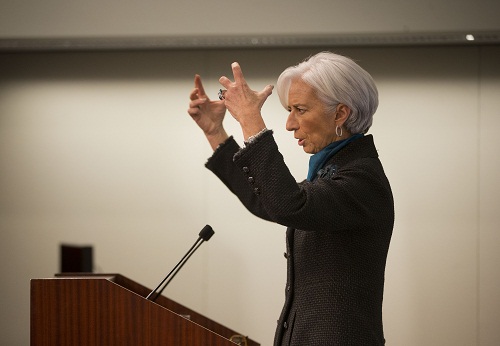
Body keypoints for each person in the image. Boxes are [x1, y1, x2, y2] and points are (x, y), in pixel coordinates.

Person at [187, 51, 394, 346]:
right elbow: (268, 200)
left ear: (340, 113)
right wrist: (215, 132)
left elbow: (289, 204)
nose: (289, 124)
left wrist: (250, 119)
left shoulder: (361, 179)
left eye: (300, 109)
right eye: (289, 110)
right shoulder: (332, 172)